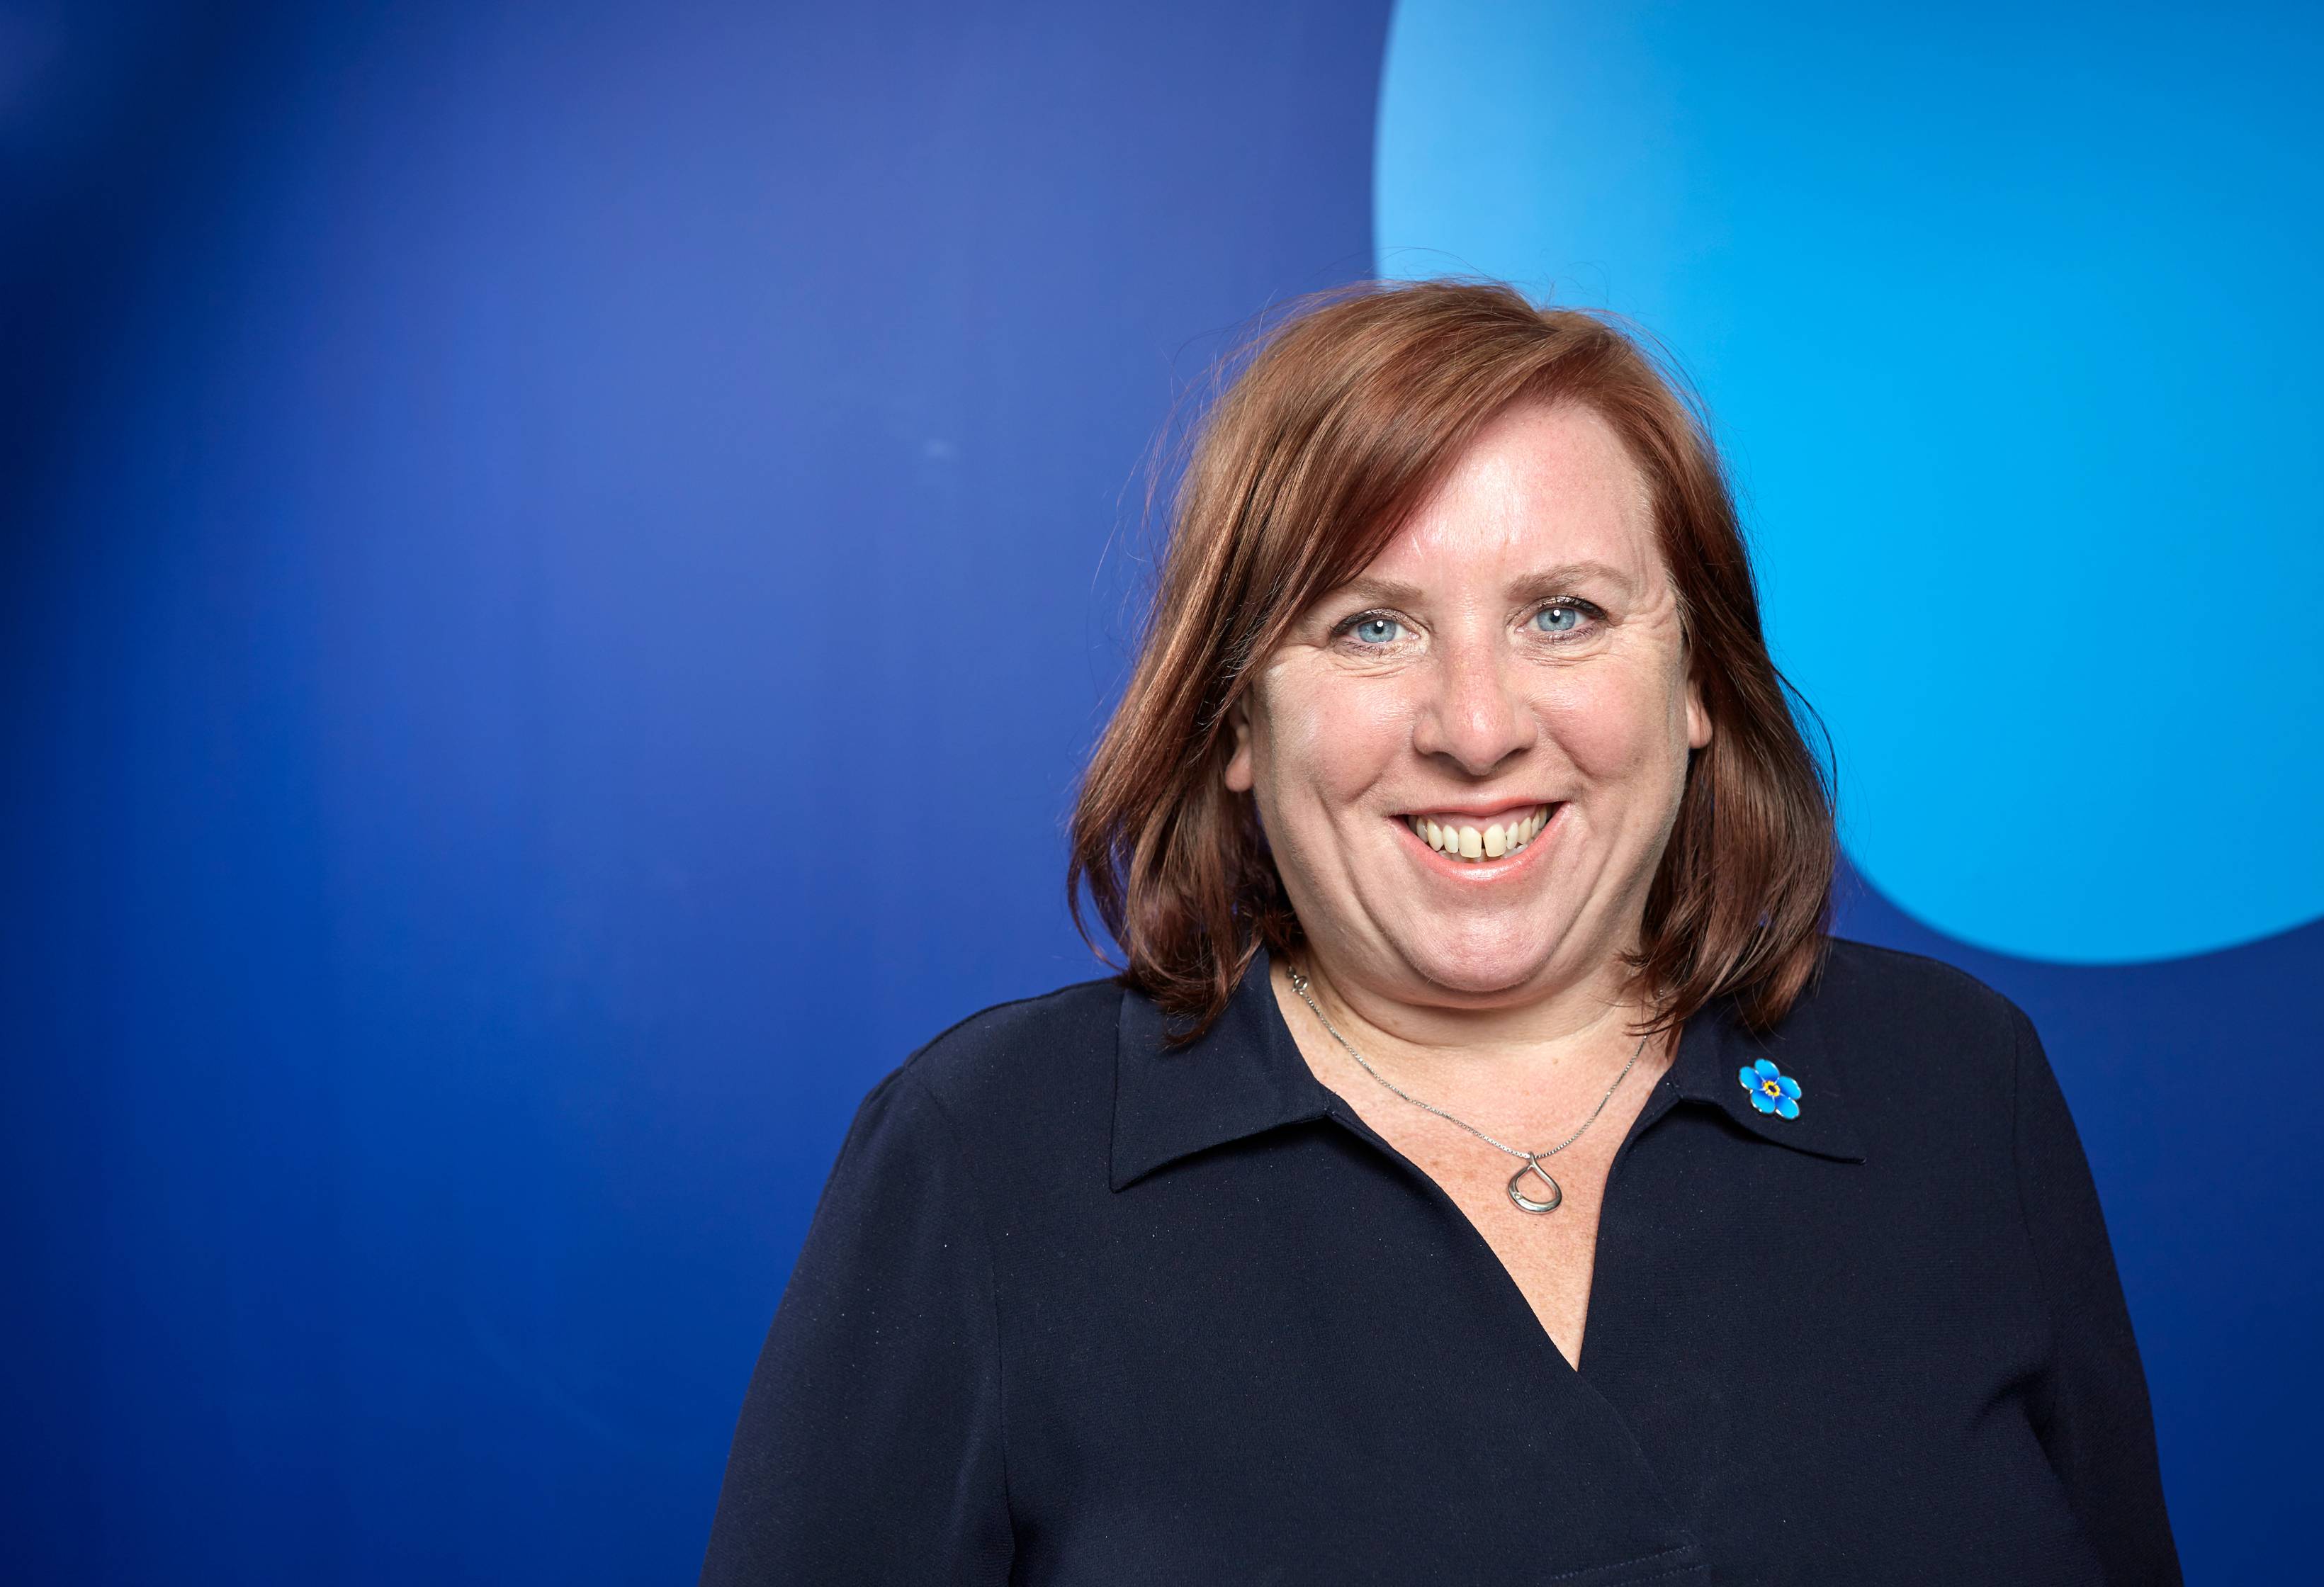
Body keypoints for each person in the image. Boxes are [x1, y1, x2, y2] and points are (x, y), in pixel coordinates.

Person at [698, 279, 2182, 1585]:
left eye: (1565, 615)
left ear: (1698, 689)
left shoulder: (1953, 1084)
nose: (1477, 728)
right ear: (1234, 714)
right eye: (1370, 626)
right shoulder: (986, 1160)